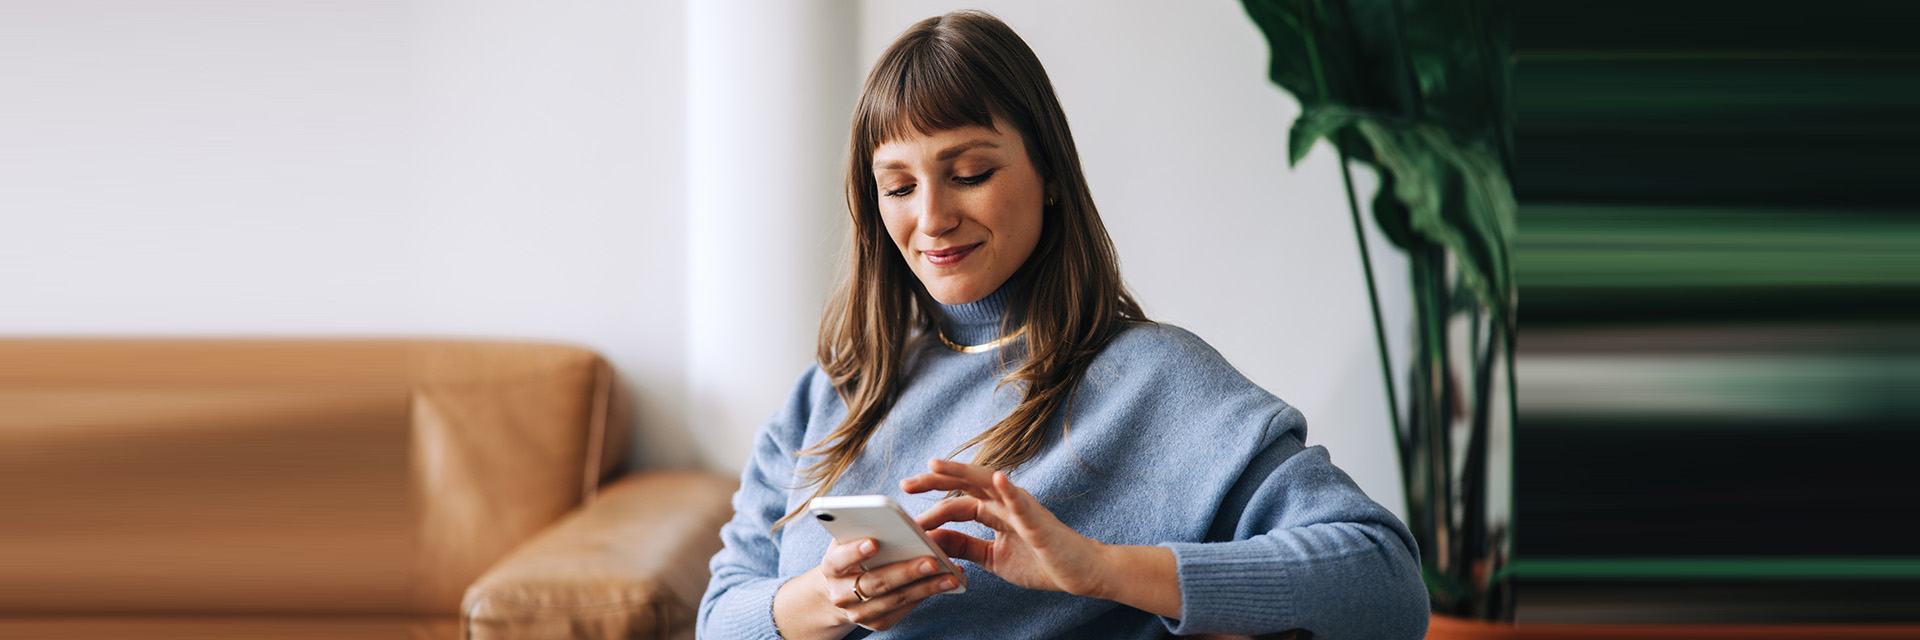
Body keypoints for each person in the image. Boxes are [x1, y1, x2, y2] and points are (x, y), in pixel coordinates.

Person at [697, 10, 1427, 640]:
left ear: (1048, 174)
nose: (931, 218)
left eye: (971, 173)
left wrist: (1102, 569)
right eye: (898, 185)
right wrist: (824, 601)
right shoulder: (834, 393)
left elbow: (1384, 579)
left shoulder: (1153, 380)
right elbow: (719, 615)